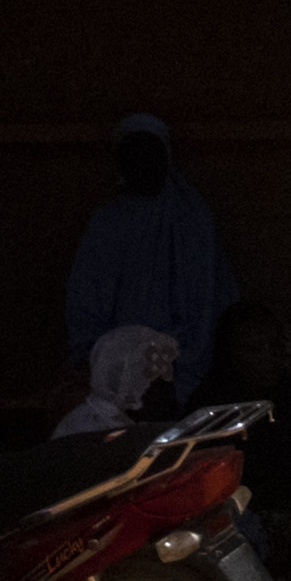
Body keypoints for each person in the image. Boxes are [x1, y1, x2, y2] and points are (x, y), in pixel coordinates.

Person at [57, 114, 237, 409]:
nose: (143, 165)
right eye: (133, 156)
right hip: (119, 369)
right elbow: (86, 302)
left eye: (151, 154)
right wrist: (113, 360)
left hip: (189, 366)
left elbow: (210, 298)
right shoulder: (107, 223)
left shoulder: (191, 218)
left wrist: (179, 364)